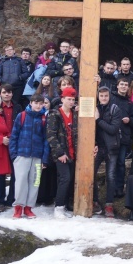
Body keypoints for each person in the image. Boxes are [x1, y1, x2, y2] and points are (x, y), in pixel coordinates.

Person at [9, 94, 50, 219]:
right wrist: (14, 155)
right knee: (21, 182)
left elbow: (46, 140)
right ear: (31, 103)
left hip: (37, 157)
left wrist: (45, 158)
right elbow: (14, 136)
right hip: (22, 155)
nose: (38, 106)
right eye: (35, 103)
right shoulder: (21, 116)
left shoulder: (44, 118)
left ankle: (28, 208)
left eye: (40, 103)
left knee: (35, 182)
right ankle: (18, 207)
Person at [46, 86, 79, 219]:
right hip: (61, 153)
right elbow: (51, 135)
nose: (71, 102)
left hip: (72, 152)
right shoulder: (55, 114)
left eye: (73, 100)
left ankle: (64, 205)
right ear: (63, 99)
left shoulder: (75, 114)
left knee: (69, 179)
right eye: (69, 99)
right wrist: (59, 153)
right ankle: (58, 207)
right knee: (64, 178)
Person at [93, 86, 122, 218]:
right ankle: (95, 202)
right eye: (101, 96)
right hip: (98, 147)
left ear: (109, 96)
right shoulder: (96, 108)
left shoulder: (114, 109)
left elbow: (113, 129)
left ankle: (109, 205)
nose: (104, 98)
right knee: (91, 173)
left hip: (111, 147)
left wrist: (98, 120)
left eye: (106, 96)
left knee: (110, 176)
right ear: (98, 97)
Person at [110, 77, 133, 197]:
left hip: (124, 137)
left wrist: (129, 120)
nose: (123, 86)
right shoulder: (111, 99)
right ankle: (110, 189)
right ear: (117, 86)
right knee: (111, 164)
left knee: (121, 163)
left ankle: (119, 188)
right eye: (121, 84)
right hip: (111, 136)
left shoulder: (130, 103)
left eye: (125, 85)